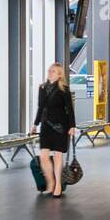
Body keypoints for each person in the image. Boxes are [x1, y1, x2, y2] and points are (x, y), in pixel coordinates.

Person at [30, 63, 77, 198]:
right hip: (46, 126)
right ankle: (50, 182)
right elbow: (40, 107)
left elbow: (70, 109)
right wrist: (35, 124)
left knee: (57, 156)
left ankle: (58, 185)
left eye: (53, 71)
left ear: (59, 74)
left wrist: (72, 126)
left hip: (61, 126)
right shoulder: (42, 88)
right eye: (49, 71)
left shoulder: (64, 89)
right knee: (44, 157)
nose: (50, 73)